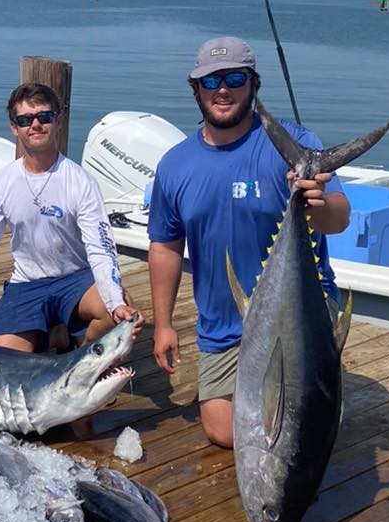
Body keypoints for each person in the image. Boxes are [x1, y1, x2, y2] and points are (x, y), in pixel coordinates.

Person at [147, 36, 350, 448]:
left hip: (298, 313)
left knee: (301, 428)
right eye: (211, 81)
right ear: (196, 89)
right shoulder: (175, 165)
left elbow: (339, 219)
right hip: (224, 325)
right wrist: (164, 324)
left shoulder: (294, 147)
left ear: (253, 84)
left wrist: (315, 203)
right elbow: (165, 246)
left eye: (235, 78)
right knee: (224, 432)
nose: (223, 89)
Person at [0, 82, 142, 352]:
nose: (35, 124)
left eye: (44, 116)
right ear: (15, 128)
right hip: (26, 284)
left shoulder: (80, 181)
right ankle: (56, 332)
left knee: (116, 312)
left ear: (58, 120)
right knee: (5, 360)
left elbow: (101, 249)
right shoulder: (2, 182)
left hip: (76, 280)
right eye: (26, 119)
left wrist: (115, 303)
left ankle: (80, 361)